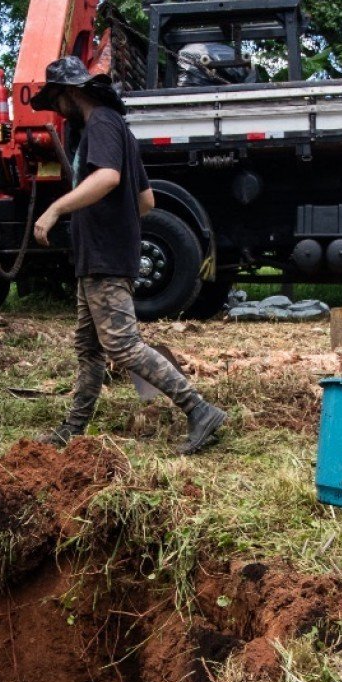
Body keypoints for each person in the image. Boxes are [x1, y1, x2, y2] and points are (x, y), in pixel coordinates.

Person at [29, 56, 227, 456]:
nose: (56, 109)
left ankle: (200, 409)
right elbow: (146, 201)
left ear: (69, 93)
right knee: (89, 348)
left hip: (104, 257)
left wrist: (57, 209)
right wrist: (109, 219)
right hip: (98, 257)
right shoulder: (117, 127)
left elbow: (108, 178)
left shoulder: (100, 124)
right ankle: (73, 429)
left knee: (122, 345)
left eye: (56, 99)